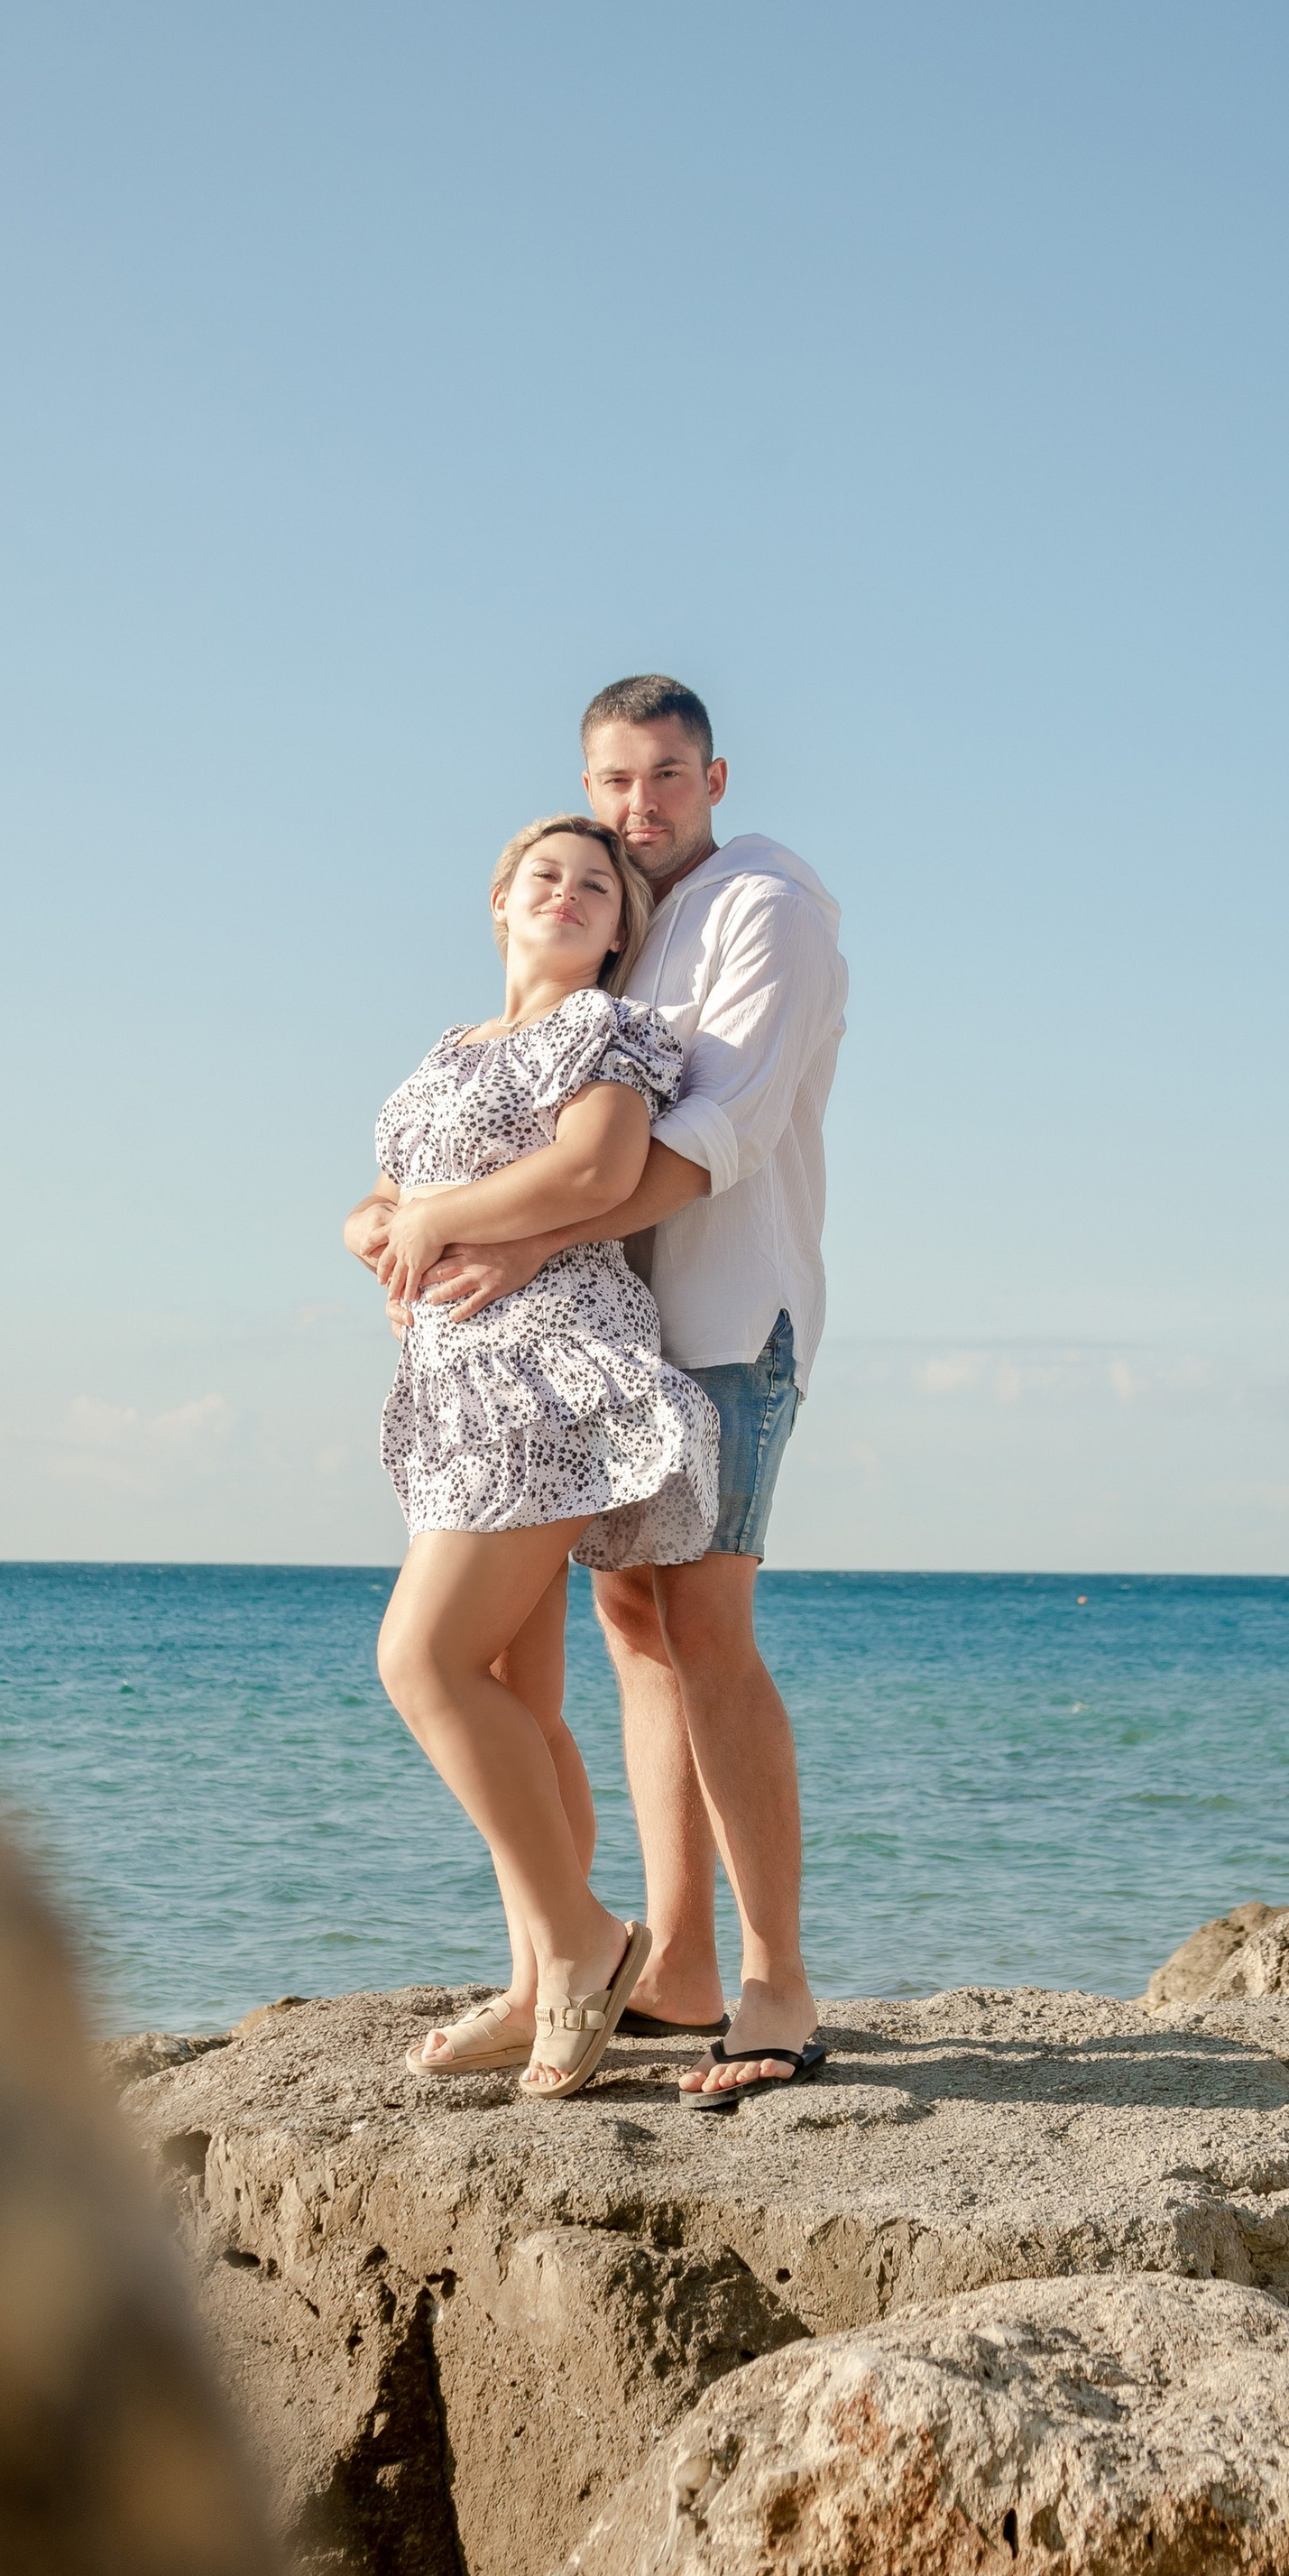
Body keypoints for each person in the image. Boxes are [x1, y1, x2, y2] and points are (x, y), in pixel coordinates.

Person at [411, 677, 847, 2104]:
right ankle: (672, 1972)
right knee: (634, 1630)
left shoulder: (764, 905)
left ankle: (774, 1983)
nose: (640, 805)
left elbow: (722, 1129)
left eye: (667, 776)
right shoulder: (633, 932)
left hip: (728, 1314)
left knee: (708, 1625)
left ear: (715, 778)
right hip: (619, 1336)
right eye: (614, 782)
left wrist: (522, 1231)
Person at [345, 814, 720, 2101]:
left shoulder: (605, 1034)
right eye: (542, 878)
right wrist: (374, 1227)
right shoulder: (453, 1052)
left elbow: (596, 1168)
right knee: (517, 1689)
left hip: (548, 1370)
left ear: (623, 928)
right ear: (499, 904)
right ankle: (534, 1977)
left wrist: (437, 1216)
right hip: (451, 1381)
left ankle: (583, 1940)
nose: (567, 894)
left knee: (421, 1657)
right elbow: (383, 1193)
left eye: (597, 884)